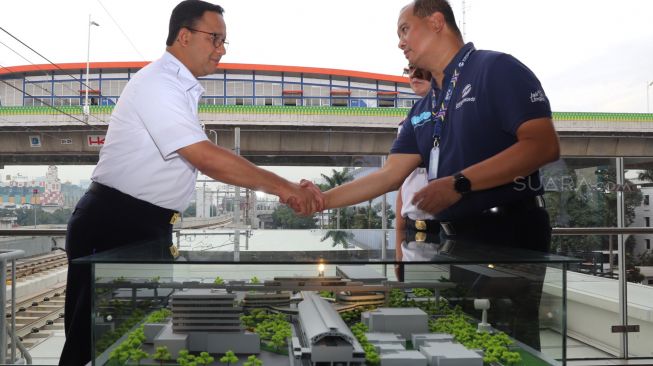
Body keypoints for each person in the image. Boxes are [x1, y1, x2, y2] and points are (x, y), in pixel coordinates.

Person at [60, 2, 321, 365]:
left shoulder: (179, 89)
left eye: (225, 41)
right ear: (184, 36)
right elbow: (206, 157)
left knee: (136, 342)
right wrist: (286, 187)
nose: (222, 49)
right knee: (92, 347)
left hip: (146, 227)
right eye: (215, 38)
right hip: (114, 227)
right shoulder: (158, 84)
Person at [302, 0, 560, 349]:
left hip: (509, 232)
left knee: (510, 340)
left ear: (437, 22)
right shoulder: (424, 107)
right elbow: (390, 175)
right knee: (465, 339)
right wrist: (323, 199)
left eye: (405, 30)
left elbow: (542, 146)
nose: (400, 42)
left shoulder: (495, 69)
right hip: (454, 240)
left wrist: (459, 183)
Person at [394, 65, 436, 280]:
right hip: (413, 232)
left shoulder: (460, 114)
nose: (413, 75)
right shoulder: (409, 122)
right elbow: (400, 180)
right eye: (409, 70)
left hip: (450, 230)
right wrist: (399, 243)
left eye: (420, 69)